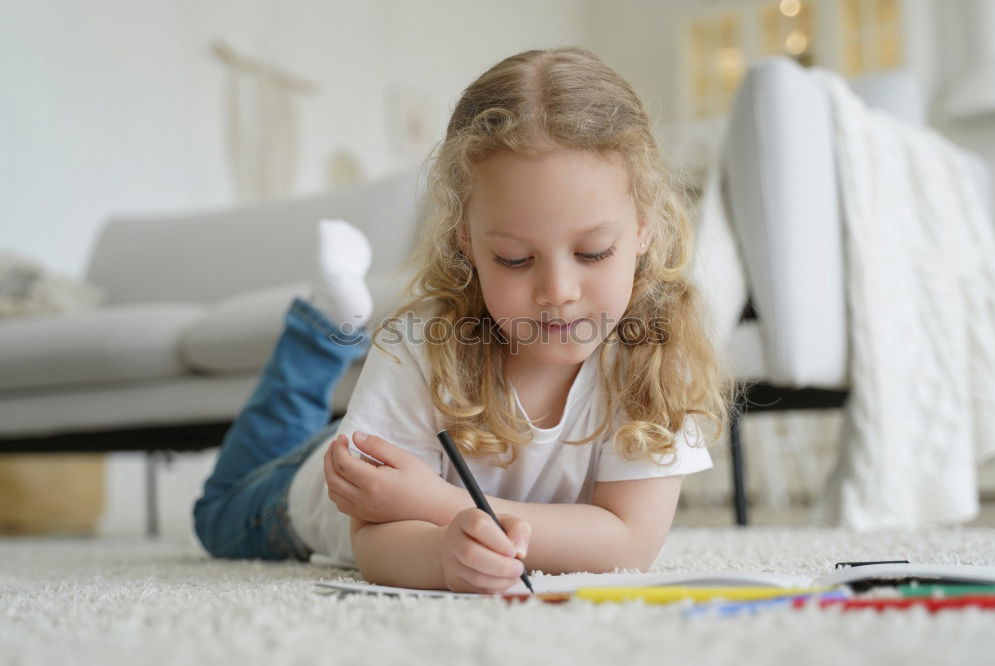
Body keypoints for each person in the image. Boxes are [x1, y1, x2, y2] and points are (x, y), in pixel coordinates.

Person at [193, 47, 733, 594]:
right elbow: (374, 535)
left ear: (643, 227)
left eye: (593, 252)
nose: (559, 293)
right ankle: (319, 331)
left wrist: (439, 505)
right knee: (217, 513)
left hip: (405, 449)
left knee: (355, 435)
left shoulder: (656, 350)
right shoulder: (420, 347)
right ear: (466, 242)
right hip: (313, 492)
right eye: (516, 260)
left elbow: (628, 543)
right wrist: (439, 557)